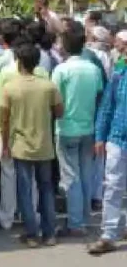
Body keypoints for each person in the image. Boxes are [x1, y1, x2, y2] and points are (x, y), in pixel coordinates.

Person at [0, 43, 63, 248]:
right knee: (46, 188)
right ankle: (50, 233)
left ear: (19, 63)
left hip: (21, 146)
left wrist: (6, 144)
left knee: (25, 191)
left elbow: (4, 119)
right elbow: (60, 111)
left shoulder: (10, 87)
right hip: (45, 145)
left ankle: (32, 234)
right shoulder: (48, 85)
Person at [52, 29, 103, 236]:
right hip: (88, 127)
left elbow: (55, 101)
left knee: (71, 176)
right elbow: (99, 96)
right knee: (85, 173)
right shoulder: (93, 69)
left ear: (65, 46)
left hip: (66, 128)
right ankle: (84, 218)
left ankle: (75, 223)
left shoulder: (61, 70)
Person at [88, 39, 127, 255]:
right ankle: (109, 234)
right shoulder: (120, 73)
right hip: (118, 138)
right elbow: (107, 105)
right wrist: (100, 136)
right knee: (112, 187)